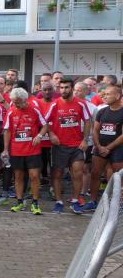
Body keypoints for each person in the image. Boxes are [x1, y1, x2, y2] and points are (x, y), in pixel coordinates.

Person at [46, 78, 91, 214]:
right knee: (58, 174)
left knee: (78, 173)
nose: (63, 90)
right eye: (61, 88)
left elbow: (87, 121)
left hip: (77, 146)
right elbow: (45, 121)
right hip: (60, 146)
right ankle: (59, 202)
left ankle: (75, 201)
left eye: (66, 87)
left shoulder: (81, 103)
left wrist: (85, 140)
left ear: (72, 88)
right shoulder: (55, 104)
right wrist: (51, 134)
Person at [2, 88, 48, 215]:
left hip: (33, 150)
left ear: (25, 99)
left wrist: (39, 136)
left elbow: (45, 125)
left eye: (18, 102)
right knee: (18, 176)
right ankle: (20, 202)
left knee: (34, 176)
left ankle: (35, 203)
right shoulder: (11, 111)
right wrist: (5, 149)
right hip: (17, 150)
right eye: (14, 102)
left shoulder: (35, 109)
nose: (16, 105)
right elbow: (7, 130)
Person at [84, 84, 123, 212]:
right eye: (104, 94)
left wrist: (109, 148)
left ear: (117, 96)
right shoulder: (102, 111)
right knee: (95, 173)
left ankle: (119, 203)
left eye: (108, 94)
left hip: (118, 148)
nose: (104, 96)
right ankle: (93, 201)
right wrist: (99, 146)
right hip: (100, 147)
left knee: (118, 177)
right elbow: (95, 130)